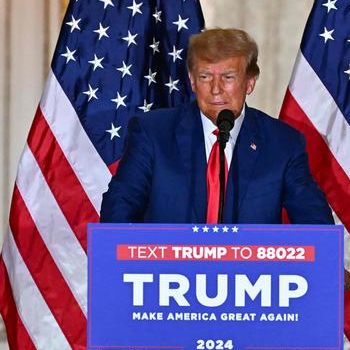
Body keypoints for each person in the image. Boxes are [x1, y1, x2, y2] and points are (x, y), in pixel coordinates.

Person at [100, 28, 334, 225]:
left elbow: (311, 216)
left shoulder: (283, 143)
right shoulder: (152, 133)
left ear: (250, 82)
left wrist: (328, 261)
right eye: (205, 77)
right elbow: (120, 207)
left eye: (228, 77)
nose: (215, 89)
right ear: (192, 80)